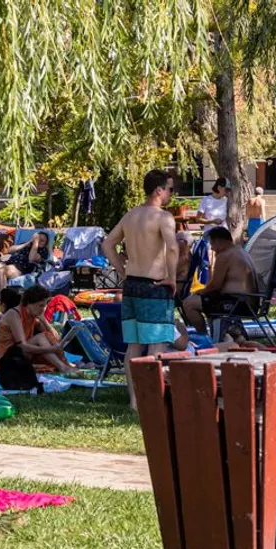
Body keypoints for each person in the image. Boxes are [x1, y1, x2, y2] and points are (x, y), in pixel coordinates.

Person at [102, 169, 179, 410]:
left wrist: (123, 272)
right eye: (170, 189)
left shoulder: (131, 216)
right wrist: (172, 278)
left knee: (134, 346)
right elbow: (173, 248)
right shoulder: (163, 217)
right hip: (154, 287)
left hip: (132, 286)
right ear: (159, 190)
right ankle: (152, 398)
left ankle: (135, 401)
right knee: (156, 346)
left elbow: (107, 244)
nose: (170, 194)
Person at [182, 226, 258, 332]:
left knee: (188, 303)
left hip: (236, 303)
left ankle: (203, 337)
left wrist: (199, 292)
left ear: (218, 241)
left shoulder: (225, 255)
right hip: (250, 302)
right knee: (208, 302)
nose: (212, 248)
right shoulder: (241, 251)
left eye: (212, 244)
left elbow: (215, 286)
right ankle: (219, 334)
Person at [0, 285, 77, 376]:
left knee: (45, 336)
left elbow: (54, 337)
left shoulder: (32, 315)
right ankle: (63, 367)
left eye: (45, 306)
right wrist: (50, 349)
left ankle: (64, 365)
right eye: (40, 305)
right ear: (29, 303)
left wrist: (44, 320)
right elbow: (23, 345)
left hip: (20, 354)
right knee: (40, 338)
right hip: (5, 357)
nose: (43, 309)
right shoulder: (14, 314)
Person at [0, 231, 51, 296]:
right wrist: (26, 244)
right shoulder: (27, 244)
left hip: (22, 269)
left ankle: (2, 297)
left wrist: (35, 243)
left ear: (45, 243)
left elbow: (31, 259)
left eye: (42, 240)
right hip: (9, 263)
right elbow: (9, 250)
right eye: (38, 239)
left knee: (1, 270)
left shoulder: (43, 250)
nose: (39, 241)